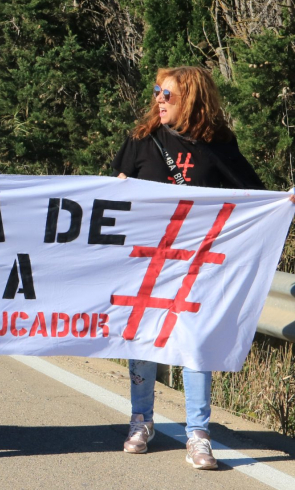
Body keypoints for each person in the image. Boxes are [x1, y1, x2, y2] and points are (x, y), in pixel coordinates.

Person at [113, 66, 266, 470]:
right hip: (146, 261)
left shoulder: (218, 144)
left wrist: (280, 204)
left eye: (168, 94)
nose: (159, 100)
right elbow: (113, 192)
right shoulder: (141, 140)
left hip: (199, 264)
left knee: (195, 341)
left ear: (193, 100)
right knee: (143, 337)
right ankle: (140, 421)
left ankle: (198, 433)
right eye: (157, 92)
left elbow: (253, 194)